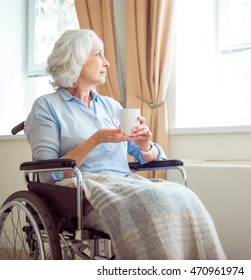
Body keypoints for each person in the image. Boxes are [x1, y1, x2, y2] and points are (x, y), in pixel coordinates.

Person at [24, 29, 226, 260]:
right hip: (81, 191)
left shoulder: (110, 106)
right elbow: (48, 174)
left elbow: (147, 156)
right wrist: (95, 140)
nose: (107, 63)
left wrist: (145, 144)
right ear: (76, 60)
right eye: (99, 55)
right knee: (153, 202)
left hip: (123, 183)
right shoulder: (47, 107)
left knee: (183, 196)